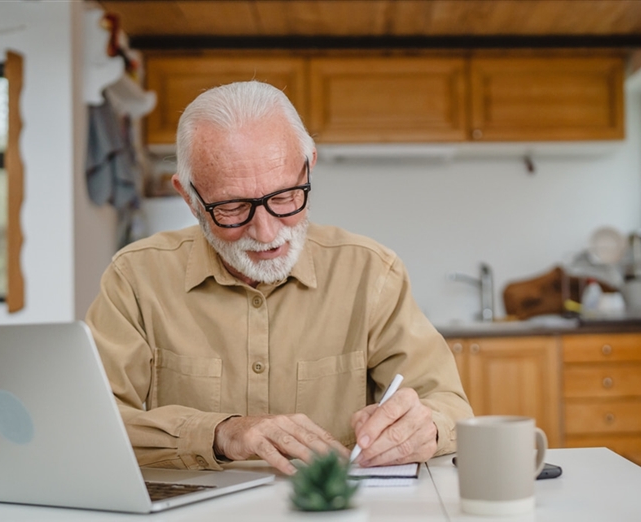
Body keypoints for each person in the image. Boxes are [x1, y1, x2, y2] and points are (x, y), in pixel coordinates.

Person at [85, 81, 473, 476]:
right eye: (233, 208)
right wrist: (220, 433)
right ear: (189, 198)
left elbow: (447, 405)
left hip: (331, 516)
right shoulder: (135, 278)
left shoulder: (372, 273)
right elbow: (91, 423)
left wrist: (426, 427)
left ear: (310, 166)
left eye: (285, 197)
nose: (267, 233)